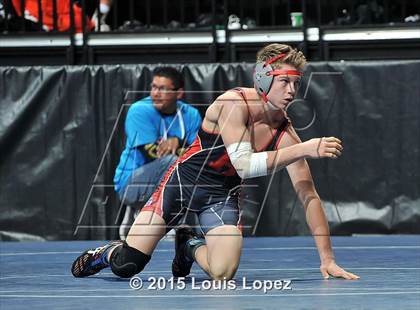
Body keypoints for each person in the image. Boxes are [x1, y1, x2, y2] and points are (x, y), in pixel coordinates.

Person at [71, 43, 359, 281]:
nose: (291, 91)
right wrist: (305, 149)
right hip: (181, 185)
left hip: (220, 197)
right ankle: (107, 253)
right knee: (128, 264)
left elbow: (308, 195)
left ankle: (189, 245)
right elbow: (244, 164)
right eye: (284, 81)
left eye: (296, 83)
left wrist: (328, 259)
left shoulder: (285, 134)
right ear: (263, 79)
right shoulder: (234, 104)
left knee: (222, 273)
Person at [114, 66, 201, 239]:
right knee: (171, 162)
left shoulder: (190, 114)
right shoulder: (139, 110)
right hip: (130, 185)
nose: (155, 93)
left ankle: (173, 217)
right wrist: (183, 148)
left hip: (172, 180)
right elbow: (153, 154)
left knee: (201, 167)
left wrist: (178, 141)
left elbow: (197, 155)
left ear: (178, 93)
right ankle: (157, 215)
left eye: (162, 89)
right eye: (153, 87)